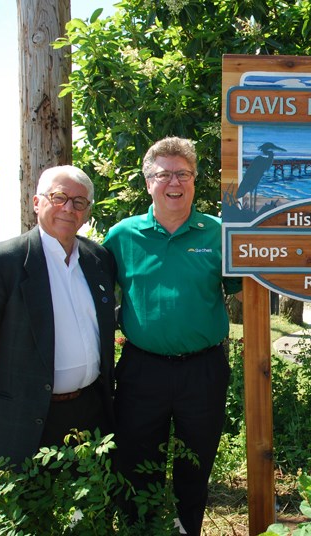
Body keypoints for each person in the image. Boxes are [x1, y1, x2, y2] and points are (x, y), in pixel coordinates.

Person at [103, 136, 241, 536]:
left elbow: (245, 291)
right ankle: (138, 530)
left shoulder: (219, 234)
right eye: (164, 174)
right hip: (141, 371)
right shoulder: (122, 236)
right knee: (134, 464)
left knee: (194, 467)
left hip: (204, 370)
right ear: (149, 182)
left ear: (195, 181)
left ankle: (186, 531)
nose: (174, 182)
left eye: (183, 173)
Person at [0, 165, 116, 469]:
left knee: (87, 515)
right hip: (22, 421)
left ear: (86, 211)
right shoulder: (1, 262)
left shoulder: (99, 259)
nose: (68, 208)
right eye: (59, 197)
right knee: (26, 513)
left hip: (90, 416)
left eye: (79, 202)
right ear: (36, 202)